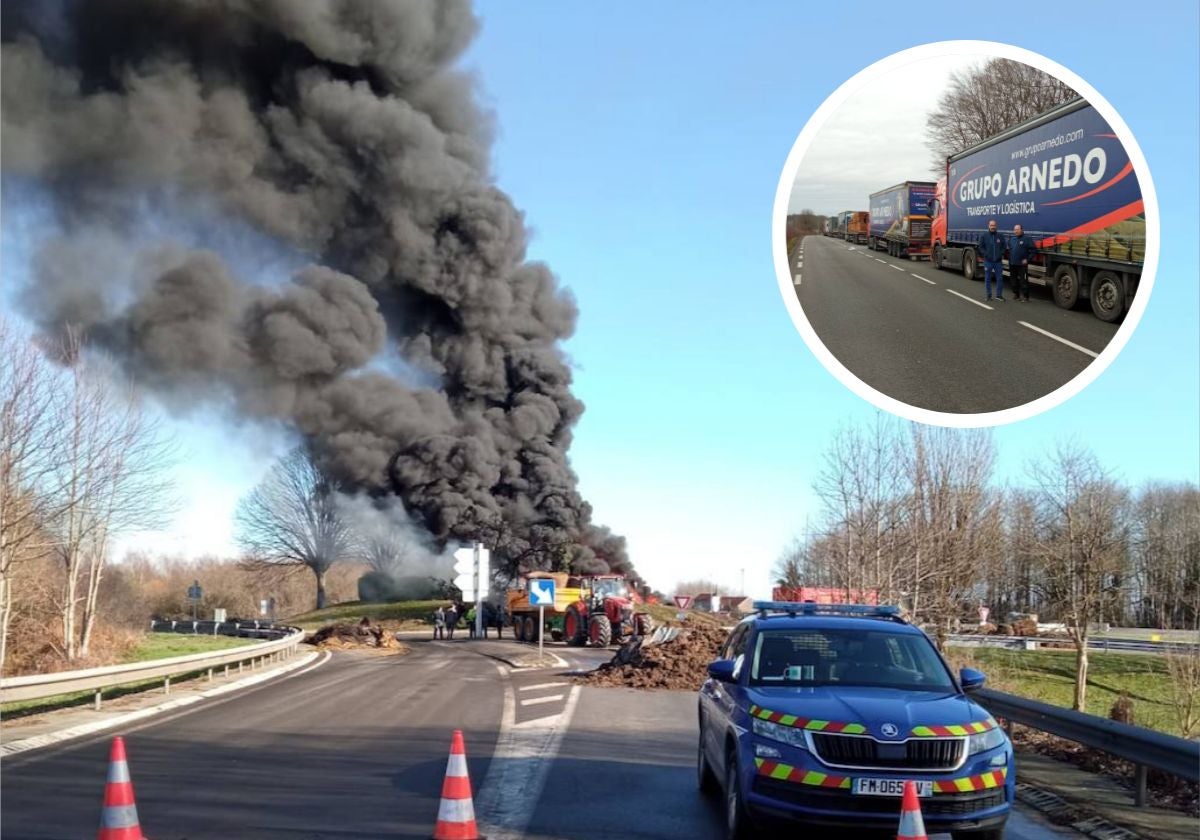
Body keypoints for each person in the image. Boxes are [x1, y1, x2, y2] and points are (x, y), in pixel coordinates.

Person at [978, 219, 1006, 302]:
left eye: (994, 225)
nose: (993, 227)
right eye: (991, 225)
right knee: (988, 279)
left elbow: (1004, 247)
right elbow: (981, 247)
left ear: (996, 226)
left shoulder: (1000, 236)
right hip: (988, 261)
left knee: (1000, 279)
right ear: (988, 226)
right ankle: (988, 295)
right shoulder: (984, 236)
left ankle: (999, 295)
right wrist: (986, 254)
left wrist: (1000, 254)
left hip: (998, 262)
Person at [1007, 224, 1036, 302]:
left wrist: (1027, 259)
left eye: (1018, 229)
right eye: (1015, 229)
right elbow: (1009, 249)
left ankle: (1026, 297)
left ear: (1022, 230)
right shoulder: (1012, 239)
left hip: (1022, 265)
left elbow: (1033, 250)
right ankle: (1016, 294)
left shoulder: (1027, 239)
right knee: (1013, 280)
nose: (1016, 231)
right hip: (1012, 263)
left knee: (1024, 281)